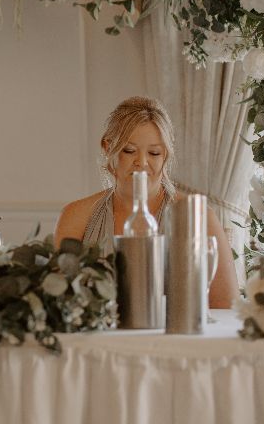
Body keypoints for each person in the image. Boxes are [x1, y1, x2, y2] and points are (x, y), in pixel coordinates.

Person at [54, 96, 239, 309]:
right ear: (108, 147)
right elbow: (61, 304)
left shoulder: (199, 217)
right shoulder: (76, 216)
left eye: (154, 153)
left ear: (165, 155)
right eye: (129, 150)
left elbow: (226, 307)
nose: (141, 162)